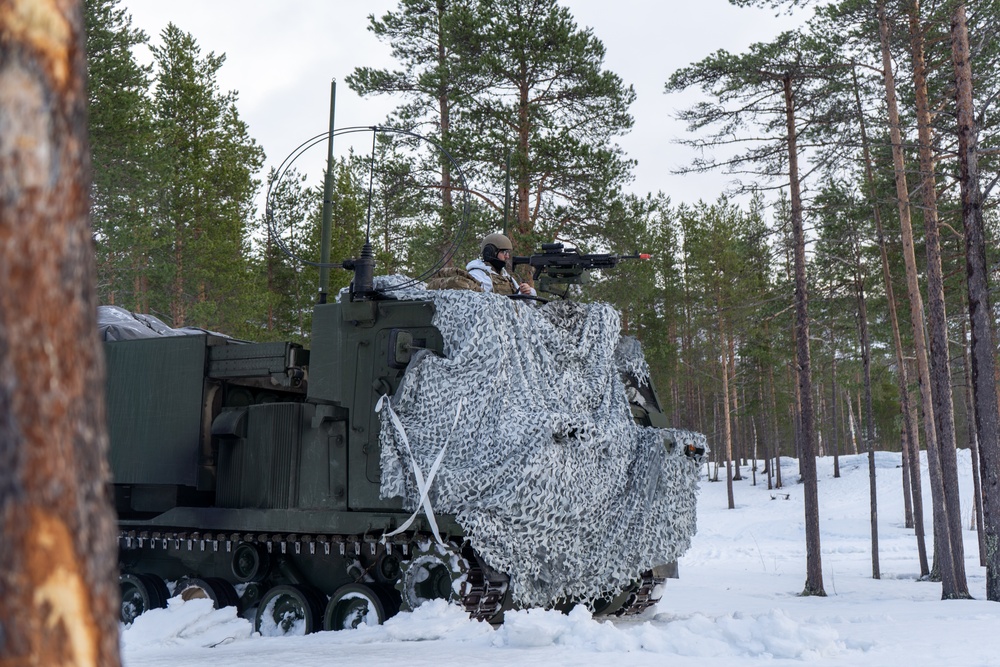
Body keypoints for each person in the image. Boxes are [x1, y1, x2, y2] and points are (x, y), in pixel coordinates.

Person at [466, 233, 535, 296]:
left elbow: (524, 302)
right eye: (504, 252)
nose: (507, 256)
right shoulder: (478, 275)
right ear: (490, 252)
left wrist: (527, 291)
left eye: (507, 253)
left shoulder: (506, 277)